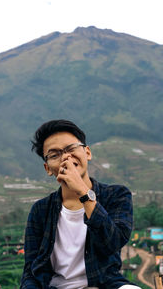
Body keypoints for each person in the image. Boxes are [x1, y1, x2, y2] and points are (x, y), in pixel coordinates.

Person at [20, 120, 141, 289]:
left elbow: (112, 243)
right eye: (55, 155)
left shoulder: (116, 195)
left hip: (105, 285)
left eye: (71, 149)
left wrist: (83, 192)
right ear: (48, 168)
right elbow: (31, 271)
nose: (66, 157)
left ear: (87, 152)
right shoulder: (40, 210)